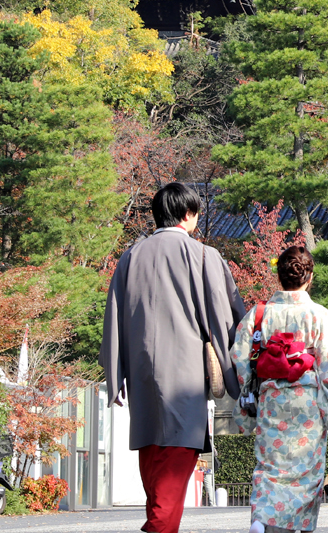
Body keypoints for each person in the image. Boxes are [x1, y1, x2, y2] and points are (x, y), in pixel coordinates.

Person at [101, 182, 246, 533]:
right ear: (187, 214)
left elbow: (114, 317)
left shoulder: (131, 256)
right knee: (175, 465)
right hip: (185, 379)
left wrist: (115, 371)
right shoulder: (202, 256)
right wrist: (239, 374)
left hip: (141, 375)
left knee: (152, 463)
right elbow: (225, 318)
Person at [230, 245, 328, 533]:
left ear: (278, 277)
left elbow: (240, 362)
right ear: (310, 278)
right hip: (308, 406)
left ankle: (262, 519)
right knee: (306, 474)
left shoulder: (258, 315)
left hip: (271, 401)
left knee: (269, 468)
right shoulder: (318, 315)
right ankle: (299, 527)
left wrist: (247, 398)